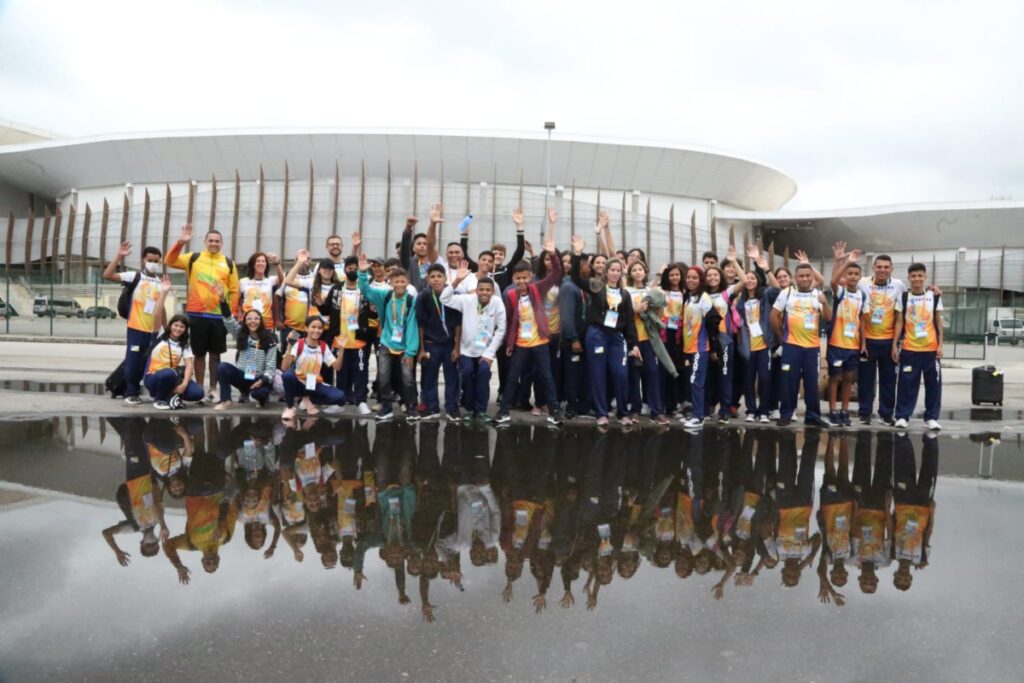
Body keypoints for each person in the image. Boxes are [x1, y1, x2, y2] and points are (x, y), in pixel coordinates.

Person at [569, 226, 641, 427]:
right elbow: (576, 278)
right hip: (597, 334)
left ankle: (622, 412)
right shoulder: (596, 286)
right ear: (606, 271)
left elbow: (629, 321)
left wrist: (633, 343)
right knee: (598, 374)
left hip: (617, 337)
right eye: (612, 270)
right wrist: (577, 254)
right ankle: (601, 412)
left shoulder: (625, 295)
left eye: (618, 270)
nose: (615, 273)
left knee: (620, 373)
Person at [164, 223, 239, 400]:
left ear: (222, 243)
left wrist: (233, 314)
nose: (214, 243)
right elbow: (168, 261)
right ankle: (199, 388)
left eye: (217, 241)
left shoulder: (228, 262)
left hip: (219, 316)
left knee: (215, 355)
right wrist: (180, 243)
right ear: (205, 241)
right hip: (196, 315)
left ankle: (213, 389)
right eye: (211, 240)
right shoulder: (194, 258)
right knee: (198, 354)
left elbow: (234, 290)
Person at [494, 233, 563, 425]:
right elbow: (510, 320)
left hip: (540, 341)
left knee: (546, 376)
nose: (522, 281)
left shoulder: (538, 288)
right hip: (521, 343)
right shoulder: (511, 295)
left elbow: (557, 274)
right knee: (512, 376)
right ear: (514, 278)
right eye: (518, 278)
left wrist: (553, 253)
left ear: (530, 277)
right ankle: (504, 411)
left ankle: (554, 411)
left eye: (525, 278)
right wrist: (509, 343)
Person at [442, 262, 507, 421]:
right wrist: (457, 280)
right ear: (476, 290)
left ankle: (481, 410)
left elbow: (501, 328)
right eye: (481, 290)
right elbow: (445, 298)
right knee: (468, 373)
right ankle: (470, 410)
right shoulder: (467, 300)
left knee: (484, 374)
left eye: (488, 290)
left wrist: (490, 353)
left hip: (485, 351)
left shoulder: (497, 303)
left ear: (493, 292)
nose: (484, 293)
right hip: (467, 350)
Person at [358, 253, 419, 421]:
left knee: (407, 379)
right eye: (396, 281)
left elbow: (413, 326)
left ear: (407, 282)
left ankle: (411, 407)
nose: (399, 284)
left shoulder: (412, 300)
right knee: (383, 376)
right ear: (390, 283)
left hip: (405, 346)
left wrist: (411, 351)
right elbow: (366, 290)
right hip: (386, 342)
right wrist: (363, 273)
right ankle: (386, 407)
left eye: (402, 281)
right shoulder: (384, 296)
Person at [102, 240, 164, 405]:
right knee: (133, 361)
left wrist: (165, 328)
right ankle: (131, 392)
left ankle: (153, 391)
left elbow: (161, 307)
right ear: (143, 260)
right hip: (136, 328)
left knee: (150, 362)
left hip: (154, 331)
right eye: (150, 260)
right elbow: (107, 275)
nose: (153, 263)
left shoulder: (160, 282)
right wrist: (118, 257)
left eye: (156, 261)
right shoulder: (134, 276)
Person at [771, 263, 832, 427]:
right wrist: (781, 337)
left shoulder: (818, 294)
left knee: (812, 382)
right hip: (791, 346)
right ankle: (786, 414)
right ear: (795, 278)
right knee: (789, 382)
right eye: (801, 276)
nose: (805, 278)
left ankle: (813, 416)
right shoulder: (787, 292)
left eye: (808, 276)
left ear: (812, 277)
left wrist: (825, 303)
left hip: (812, 348)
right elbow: (774, 316)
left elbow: (828, 317)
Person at [317, 255, 374, 415]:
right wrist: (320, 305)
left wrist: (374, 311)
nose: (352, 270)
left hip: (359, 339)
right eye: (350, 268)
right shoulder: (336, 289)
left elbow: (373, 312)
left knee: (361, 371)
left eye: (355, 268)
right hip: (340, 338)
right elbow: (326, 310)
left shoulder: (365, 288)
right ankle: (339, 402)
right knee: (341, 372)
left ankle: (361, 401)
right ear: (345, 270)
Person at [893, 263, 944, 430]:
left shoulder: (934, 296)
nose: (917, 279)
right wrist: (894, 345)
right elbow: (899, 322)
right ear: (909, 277)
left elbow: (938, 321)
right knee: (906, 384)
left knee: (933, 385)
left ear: (925, 277)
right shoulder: (903, 297)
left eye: (920, 276)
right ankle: (902, 416)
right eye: (913, 276)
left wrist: (941, 345)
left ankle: (931, 417)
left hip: (930, 350)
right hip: (909, 349)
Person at [857, 254, 904, 426]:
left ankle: (886, 414)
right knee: (865, 380)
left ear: (891, 269)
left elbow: (910, 300)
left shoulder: (898, 285)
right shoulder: (862, 282)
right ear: (873, 268)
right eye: (879, 267)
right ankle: (865, 413)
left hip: (888, 341)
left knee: (888, 381)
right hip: (867, 340)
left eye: (886, 267)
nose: (882, 270)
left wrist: (895, 344)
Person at [145, 276, 205, 409]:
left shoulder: (185, 345)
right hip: (154, 377)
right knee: (169, 373)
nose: (178, 329)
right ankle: (160, 399)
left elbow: (189, 366)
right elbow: (156, 314)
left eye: (182, 327)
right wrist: (164, 292)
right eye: (176, 325)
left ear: (185, 330)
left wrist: (184, 384)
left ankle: (172, 395)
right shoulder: (160, 335)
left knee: (198, 393)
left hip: (173, 377)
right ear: (170, 325)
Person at [826, 243, 867, 427]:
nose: (852, 276)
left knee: (849, 378)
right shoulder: (840, 292)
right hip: (836, 344)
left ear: (860, 277)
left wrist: (863, 344)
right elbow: (832, 282)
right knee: (835, 378)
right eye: (849, 273)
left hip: (853, 345)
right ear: (846, 276)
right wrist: (845, 261)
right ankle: (832, 411)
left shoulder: (862, 296)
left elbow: (862, 321)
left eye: (855, 274)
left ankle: (844, 411)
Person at [416, 263, 463, 420]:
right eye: (432, 277)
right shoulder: (423, 296)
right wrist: (421, 349)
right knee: (429, 377)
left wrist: (457, 347)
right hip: (430, 344)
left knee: (452, 378)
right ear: (428, 279)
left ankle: (452, 408)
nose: (436, 280)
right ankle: (432, 407)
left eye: (439, 276)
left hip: (449, 344)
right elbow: (420, 325)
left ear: (445, 278)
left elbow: (458, 324)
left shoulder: (453, 295)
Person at [891, 432, 937, 591]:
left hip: (903, 503)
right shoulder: (921, 558)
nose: (903, 576)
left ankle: (902, 437)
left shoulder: (892, 554)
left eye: (899, 578)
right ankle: (930, 440)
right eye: (906, 579)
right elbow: (928, 534)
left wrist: (890, 505)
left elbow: (890, 528)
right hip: (922, 506)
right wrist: (932, 512)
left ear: (895, 574)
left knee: (904, 466)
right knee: (928, 469)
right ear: (910, 577)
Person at [625, 259, 668, 424]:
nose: (637, 272)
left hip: (650, 339)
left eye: (640, 269)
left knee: (652, 373)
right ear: (630, 273)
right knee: (634, 374)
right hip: (633, 339)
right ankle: (634, 410)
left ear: (645, 272)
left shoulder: (652, 290)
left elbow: (660, 313)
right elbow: (624, 314)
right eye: (634, 270)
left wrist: (661, 301)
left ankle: (657, 411)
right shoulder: (626, 291)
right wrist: (635, 309)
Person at [279, 317, 345, 420]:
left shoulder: (323, 346)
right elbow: (284, 367)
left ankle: (309, 399)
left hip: (314, 384)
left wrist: (341, 350)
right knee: (288, 375)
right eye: (313, 327)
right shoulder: (299, 343)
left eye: (319, 328)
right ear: (306, 328)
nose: (316, 330)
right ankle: (290, 407)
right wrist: (289, 346)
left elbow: (337, 367)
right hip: (299, 383)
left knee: (340, 397)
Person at [736, 254, 776, 423]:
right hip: (747, 346)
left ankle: (764, 411)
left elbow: (777, 288)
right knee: (748, 380)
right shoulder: (741, 300)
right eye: (747, 278)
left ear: (758, 281)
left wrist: (766, 268)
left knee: (765, 379)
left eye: (753, 278)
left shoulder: (765, 296)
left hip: (763, 345)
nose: (750, 280)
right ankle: (751, 410)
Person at [679, 266, 720, 429]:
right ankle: (699, 411)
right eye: (688, 277)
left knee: (697, 382)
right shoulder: (689, 297)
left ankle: (698, 417)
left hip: (699, 347)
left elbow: (714, 320)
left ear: (701, 280)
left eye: (694, 278)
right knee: (694, 381)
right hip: (688, 347)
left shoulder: (704, 297)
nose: (691, 280)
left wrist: (713, 345)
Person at [214, 307, 279, 410]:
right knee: (222, 367)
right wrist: (222, 301)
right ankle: (226, 400)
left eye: (256, 318)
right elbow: (229, 321)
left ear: (261, 321)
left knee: (259, 394)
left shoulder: (269, 340)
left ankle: (262, 398)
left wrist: (262, 381)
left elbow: (271, 369)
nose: (253, 321)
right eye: (249, 319)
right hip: (243, 376)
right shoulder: (241, 334)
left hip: (259, 378)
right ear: (245, 321)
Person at [659, 263, 688, 416]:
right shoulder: (663, 292)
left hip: (681, 335)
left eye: (677, 274)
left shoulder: (686, 292)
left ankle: (678, 402)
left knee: (679, 371)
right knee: (666, 370)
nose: (675, 277)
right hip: (665, 334)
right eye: (671, 275)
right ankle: (666, 404)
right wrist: (659, 273)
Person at [401, 204, 446, 294]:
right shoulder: (408, 263)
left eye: (425, 244)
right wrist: (408, 228)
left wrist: (433, 224)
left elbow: (431, 244)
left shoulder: (435, 262)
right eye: (419, 244)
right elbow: (405, 249)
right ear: (413, 248)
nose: (422, 246)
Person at [237, 251, 283, 331]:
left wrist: (277, 263)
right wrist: (239, 317)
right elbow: (237, 301)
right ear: (253, 264)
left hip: (266, 324)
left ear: (266, 265)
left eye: (263, 261)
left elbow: (282, 280)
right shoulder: (243, 281)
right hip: (249, 323)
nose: (261, 263)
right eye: (258, 261)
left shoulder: (270, 280)